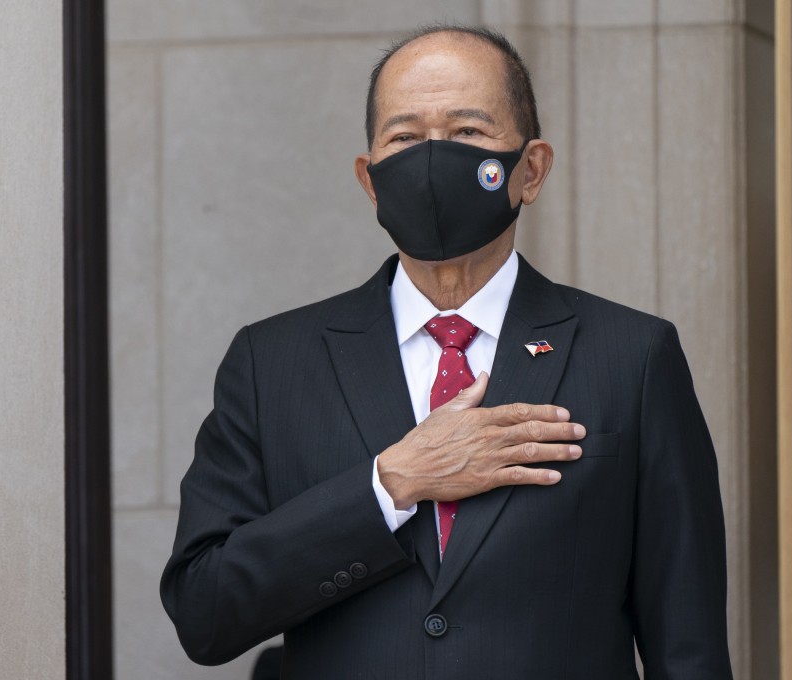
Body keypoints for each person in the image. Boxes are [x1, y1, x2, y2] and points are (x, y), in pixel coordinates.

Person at [161, 24, 733, 679]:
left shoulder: (633, 357)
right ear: (371, 180)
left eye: (466, 131)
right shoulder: (272, 365)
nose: (433, 159)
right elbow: (203, 610)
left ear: (530, 169)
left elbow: (688, 647)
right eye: (405, 138)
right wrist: (390, 484)